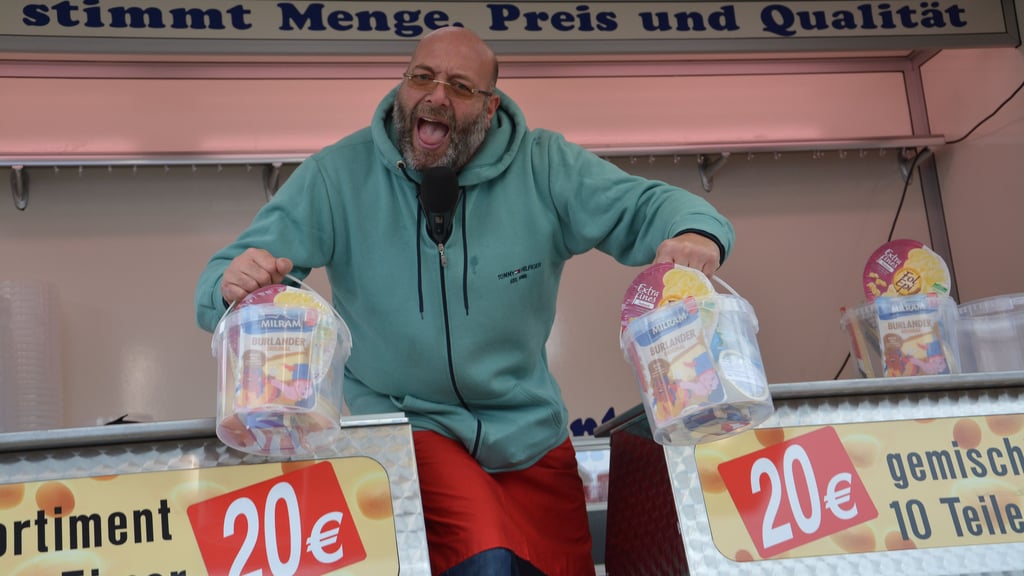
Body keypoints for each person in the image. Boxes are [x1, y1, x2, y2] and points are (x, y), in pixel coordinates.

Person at [195, 26, 734, 576]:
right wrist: (233, 286)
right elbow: (224, 279)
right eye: (422, 77)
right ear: (404, 84)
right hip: (411, 423)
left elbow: (648, 207)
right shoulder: (338, 175)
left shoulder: (544, 165)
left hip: (532, 433)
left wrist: (696, 234)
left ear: (490, 105)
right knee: (487, 563)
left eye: (459, 85)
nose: (436, 95)